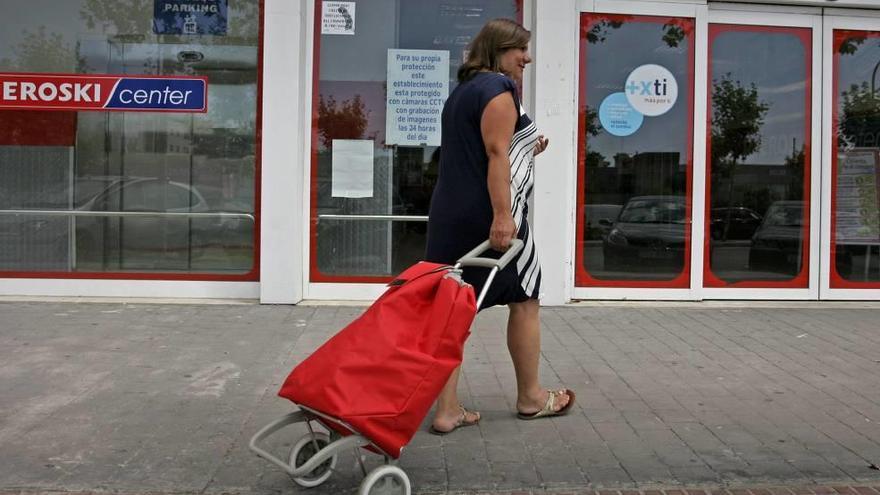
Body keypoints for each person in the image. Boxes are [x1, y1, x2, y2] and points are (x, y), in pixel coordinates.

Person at [425, 18, 575, 435]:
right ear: (497, 50)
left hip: (452, 214)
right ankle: (530, 396)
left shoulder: (462, 94)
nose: (526, 57)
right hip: (490, 218)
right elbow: (495, 155)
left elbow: (489, 151)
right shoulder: (499, 90)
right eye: (519, 49)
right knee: (525, 298)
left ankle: (447, 408)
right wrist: (504, 217)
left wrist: (528, 149)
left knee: (453, 309)